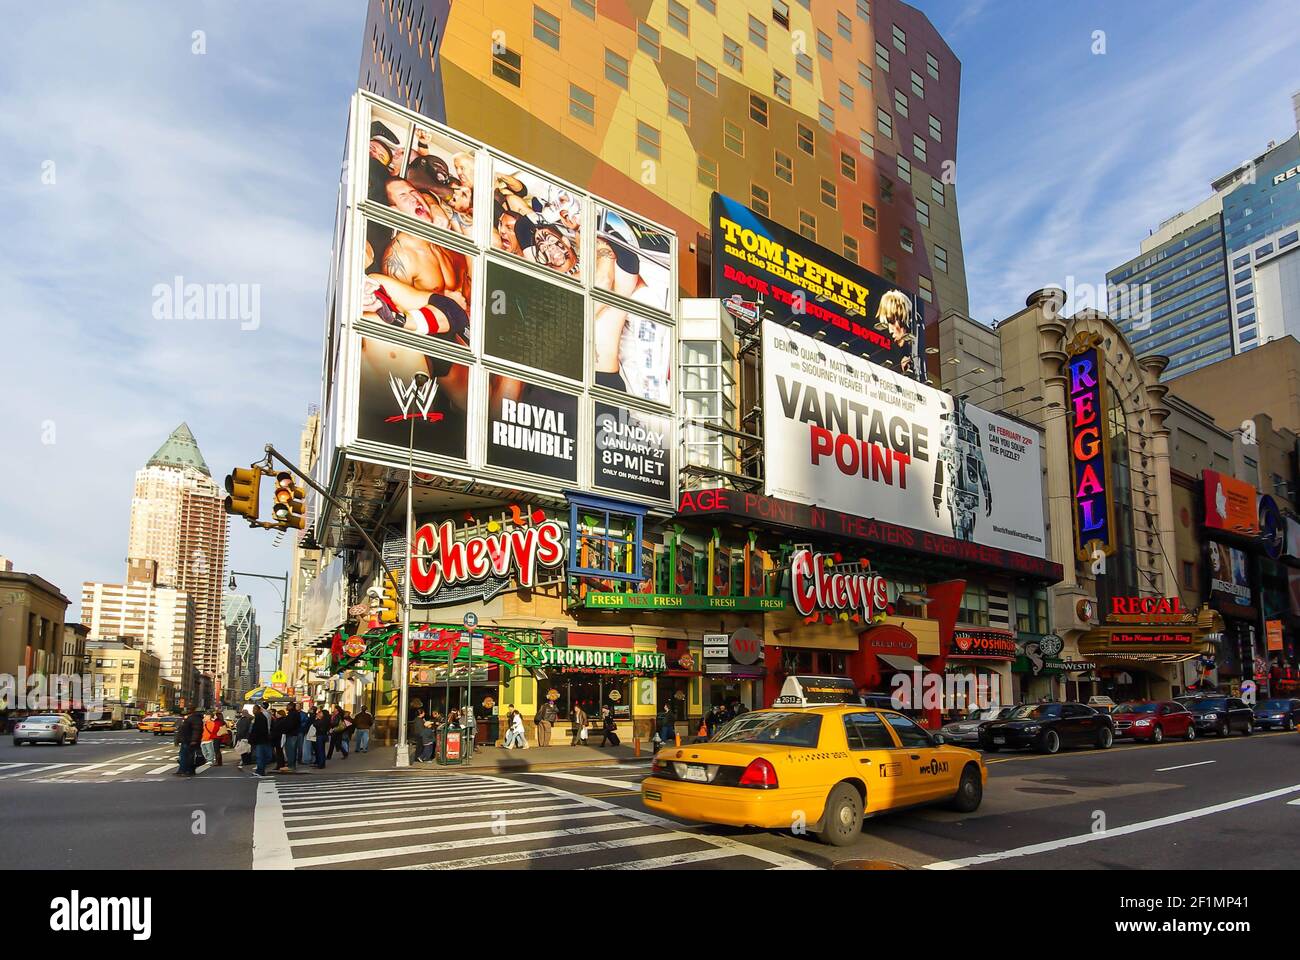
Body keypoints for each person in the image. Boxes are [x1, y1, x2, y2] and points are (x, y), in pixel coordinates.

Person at [175, 707, 204, 777]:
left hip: (188, 740)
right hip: (187, 740)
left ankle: (186, 770)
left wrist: (194, 740)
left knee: (187, 756)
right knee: (185, 756)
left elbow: (196, 730)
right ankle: (184, 770)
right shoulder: (194, 718)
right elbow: (183, 730)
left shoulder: (194, 719)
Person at [248, 704, 273, 778]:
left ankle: (260, 770)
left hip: (261, 740)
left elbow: (256, 730)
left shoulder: (259, 717)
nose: (253, 711)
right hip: (264, 739)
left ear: (259, 710)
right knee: (265, 756)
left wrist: (252, 739)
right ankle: (261, 770)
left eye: (254, 709)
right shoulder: (261, 716)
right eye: (253, 709)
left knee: (261, 756)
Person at [278, 703, 300, 773]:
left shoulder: (292, 714)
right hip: (293, 734)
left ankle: (291, 766)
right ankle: (291, 765)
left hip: (291, 734)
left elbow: (290, 725)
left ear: (291, 706)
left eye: (287, 706)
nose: (286, 707)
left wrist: (284, 730)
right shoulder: (294, 713)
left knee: (290, 750)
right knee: (291, 750)